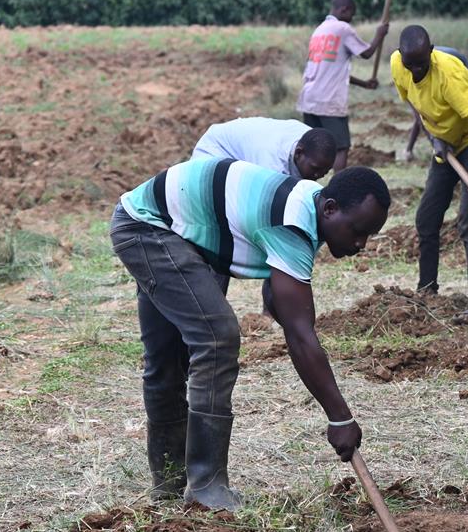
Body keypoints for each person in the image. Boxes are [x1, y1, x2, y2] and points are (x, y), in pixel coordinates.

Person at [110, 162, 390, 510]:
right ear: (330, 208)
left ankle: (170, 483)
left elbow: (285, 304)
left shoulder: (307, 205)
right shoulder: (292, 222)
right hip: (147, 228)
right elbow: (301, 337)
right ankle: (205, 487)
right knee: (216, 338)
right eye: (357, 230)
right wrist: (340, 418)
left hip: (167, 228)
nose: (360, 243)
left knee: (170, 354)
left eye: (368, 236)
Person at [391, 25, 468, 321]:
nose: (414, 71)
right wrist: (433, 138)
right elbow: (415, 103)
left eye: (421, 64)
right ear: (401, 56)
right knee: (427, 217)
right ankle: (427, 290)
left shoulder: (448, 73)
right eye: (409, 64)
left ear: (432, 51)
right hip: (446, 141)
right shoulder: (397, 65)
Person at [297, 0, 389, 173]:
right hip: (328, 101)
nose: (352, 19)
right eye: (352, 14)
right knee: (341, 148)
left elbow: (331, 69)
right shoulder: (343, 29)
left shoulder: (319, 30)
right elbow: (367, 53)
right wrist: (380, 34)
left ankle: (304, 186)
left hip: (309, 99)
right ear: (344, 10)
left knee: (310, 149)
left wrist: (364, 84)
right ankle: (338, 190)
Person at [192, 117, 337, 181]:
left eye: (325, 171)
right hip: (215, 153)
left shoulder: (311, 139)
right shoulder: (270, 164)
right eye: (315, 168)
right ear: (299, 153)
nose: (320, 175)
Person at [402, 46, 468, 163]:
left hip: (460, 70)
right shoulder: (407, 71)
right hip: (456, 64)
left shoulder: (434, 69)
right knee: (423, 115)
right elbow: (420, 117)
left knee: (459, 113)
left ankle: (461, 149)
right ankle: (409, 151)